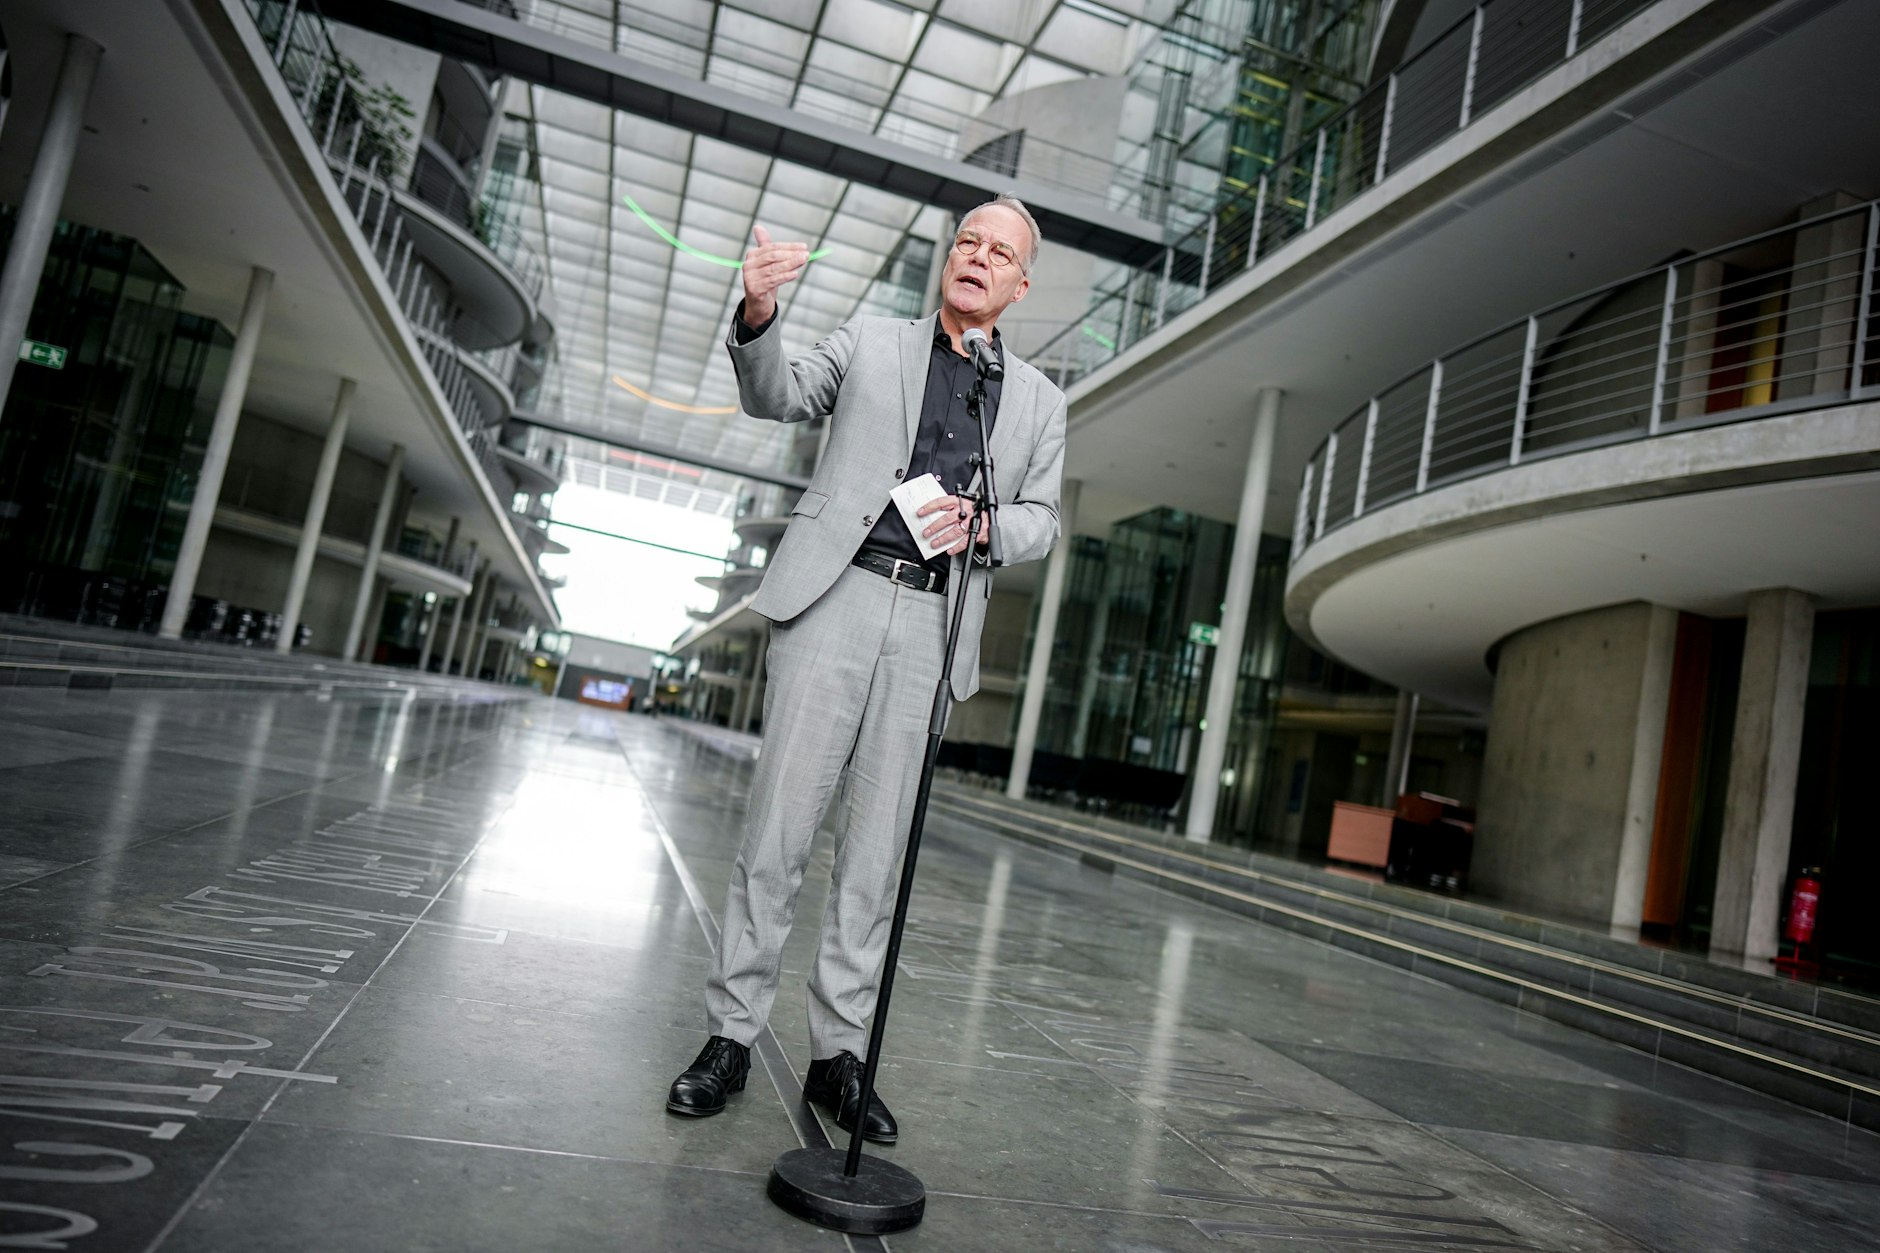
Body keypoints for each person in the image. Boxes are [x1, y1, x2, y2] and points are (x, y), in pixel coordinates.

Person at [665, 194, 1067, 1144]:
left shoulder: (1041, 400)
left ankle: (838, 1058)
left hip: (936, 620)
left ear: (1019, 283)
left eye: (997, 251)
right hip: (835, 597)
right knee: (778, 831)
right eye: (966, 240)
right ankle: (730, 1034)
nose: (975, 256)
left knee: (877, 857)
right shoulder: (872, 340)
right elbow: (779, 394)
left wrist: (986, 526)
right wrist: (760, 313)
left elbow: (1043, 520)